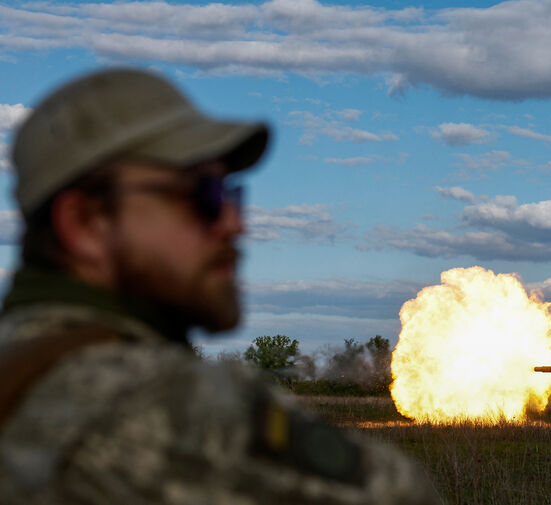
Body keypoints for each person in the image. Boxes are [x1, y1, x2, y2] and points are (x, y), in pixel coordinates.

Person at [0, 68, 440, 504]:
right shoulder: (156, 406)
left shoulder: (21, 368)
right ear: (85, 223)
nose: (234, 222)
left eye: (232, 195)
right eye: (202, 195)